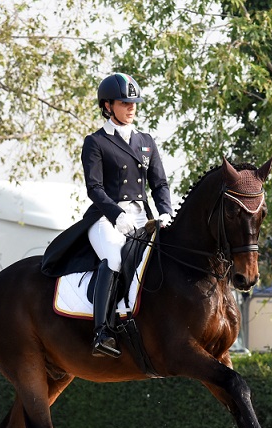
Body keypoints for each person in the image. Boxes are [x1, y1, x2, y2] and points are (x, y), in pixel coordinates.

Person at [81, 72, 174, 357]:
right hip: (105, 217)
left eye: (134, 103)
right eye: (124, 103)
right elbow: (94, 187)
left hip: (141, 217)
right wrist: (116, 215)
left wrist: (166, 212)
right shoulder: (96, 142)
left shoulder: (146, 141)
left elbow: (159, 183)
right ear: (108, 106)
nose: (131, 108)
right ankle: (102, 332)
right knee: (114, 256)